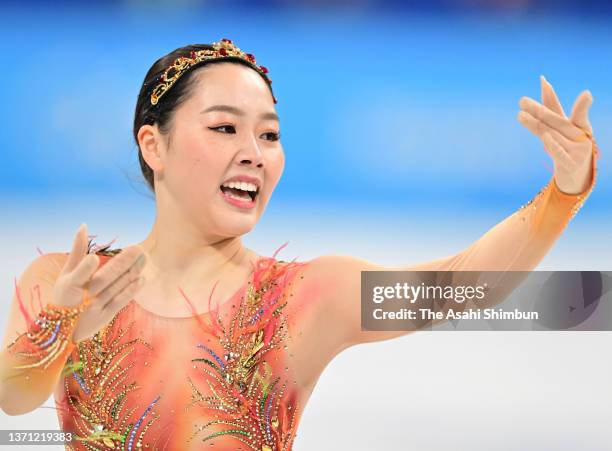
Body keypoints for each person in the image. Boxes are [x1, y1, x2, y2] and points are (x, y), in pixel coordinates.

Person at [0, 38, 599, 450]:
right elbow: (13, 400)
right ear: (154, 145)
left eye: (269, 134)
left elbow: (458, 284)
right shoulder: (68, 279)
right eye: (224, 127)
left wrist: (564, 192)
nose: (253, 152)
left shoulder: (304, 300)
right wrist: (58, 322)